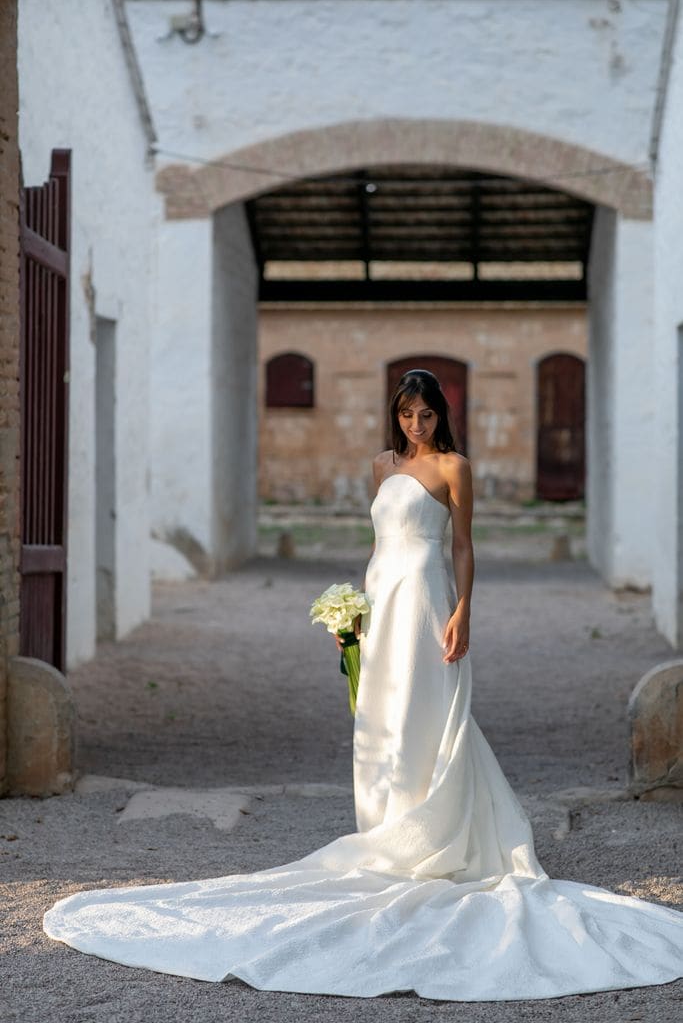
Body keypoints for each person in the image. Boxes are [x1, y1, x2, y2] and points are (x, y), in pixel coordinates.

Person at [43, 369, 683, 1000]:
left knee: (427, 712)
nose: (416, 424)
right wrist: (351, 615)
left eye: (426, 414)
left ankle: (433, 835)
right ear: (396, 414)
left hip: (429, 601)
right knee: (380, 717)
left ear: (441, 414)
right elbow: (379, 545)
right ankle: (388, 829)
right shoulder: (380, 466)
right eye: (407, 414)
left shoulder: (454, 467)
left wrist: (463, 610)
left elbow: (463, 546)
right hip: (382, 602)